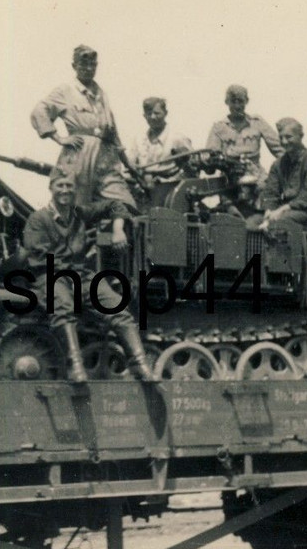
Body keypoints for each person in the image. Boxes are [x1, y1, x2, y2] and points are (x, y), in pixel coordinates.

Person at [23, 167, 156, 383]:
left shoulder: (80, 214)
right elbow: (39, 257)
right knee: (63, 308)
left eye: (69, 186)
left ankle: (139, 366)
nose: (65, 190)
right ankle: (74, 367)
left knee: (118, 308)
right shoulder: (38, 219)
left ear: (75, 189)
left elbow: (116, 204)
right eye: (60, 186)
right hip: (51, 275)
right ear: (51, 188)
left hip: (80, 275)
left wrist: (118, 228)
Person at [30, 44, 137, 209]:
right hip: (79, 156)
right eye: (83, 65)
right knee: (75, 207)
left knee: (125, 205)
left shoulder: (101, 93)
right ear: (74, 66)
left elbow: (113, 132)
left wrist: (129, 164)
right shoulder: (65, 91)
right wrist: (58, 138)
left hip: (106, 157)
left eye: (93, 65)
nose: (88, 69)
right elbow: (39, 111)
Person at [259, 118, 307, 231]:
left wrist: (281, 210)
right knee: (251, 223)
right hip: (284, 212)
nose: (284, 141)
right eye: (281, 137)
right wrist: (269, 211)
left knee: (281, 221)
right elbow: (271, 193)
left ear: (301, 136)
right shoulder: (278, 164)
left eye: (289, 137)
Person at [205, 84, 283, 176]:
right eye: (233, 102)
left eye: (240, 101)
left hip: (256, 175)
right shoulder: (218, 128)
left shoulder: (257, 123)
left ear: (247, 101)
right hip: (229, 177)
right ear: (227, 102)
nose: (237, 106)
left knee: (267, 189)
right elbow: (210, 158)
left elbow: (279, 149)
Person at [128, 97, 193, 185]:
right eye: (149, 113)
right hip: (143, 189)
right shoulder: (138, 140)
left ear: (165, 113)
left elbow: (192, 170)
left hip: (169, 187)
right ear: (144, 116)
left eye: (157, 113)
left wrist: (169, 181)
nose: (153, 117)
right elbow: (129, 168)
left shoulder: (177, 138)